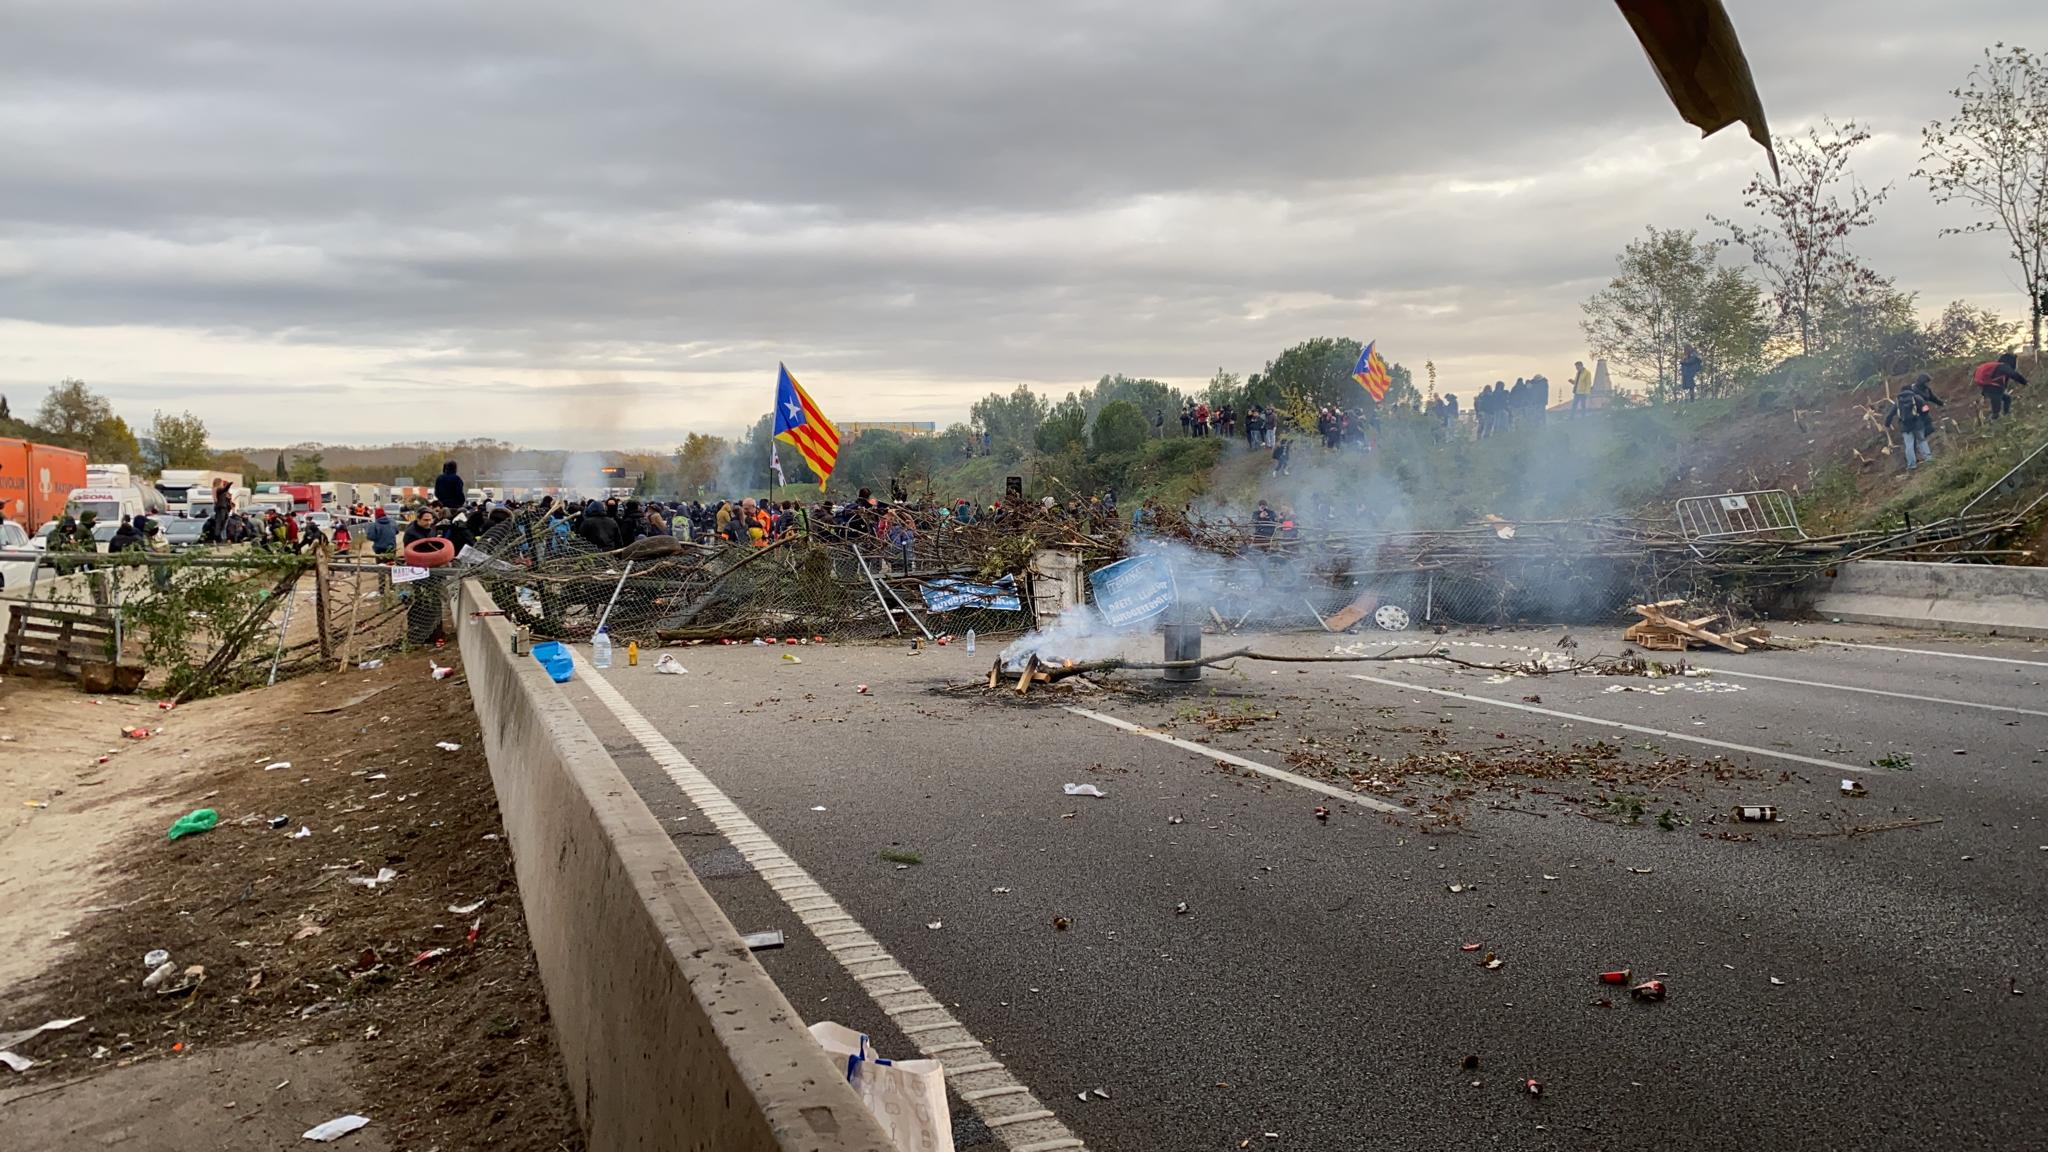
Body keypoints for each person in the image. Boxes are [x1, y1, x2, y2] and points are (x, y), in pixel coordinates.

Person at [1885, 384, 1931, 472]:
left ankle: (1912, 465)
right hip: (1918, 424)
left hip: (1905, 427)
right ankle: (1928, 459)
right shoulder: (1916, 397)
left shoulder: (1898, 401)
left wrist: (1887, 424)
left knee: (1909, 445)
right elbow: (1925, 408)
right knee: (1922, 441)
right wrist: (1923, 417)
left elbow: (1890, 414)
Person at [1974, 352, 2026, 420]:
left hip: (1988, 387)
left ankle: (2006, 415)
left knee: (2007, 398)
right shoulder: (2003, 366)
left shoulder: (1998, 367)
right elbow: (2013, 375)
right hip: (1993, 389)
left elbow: (2004, 381)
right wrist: (2024, 382)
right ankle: (1994, 420)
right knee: (1996, 409)